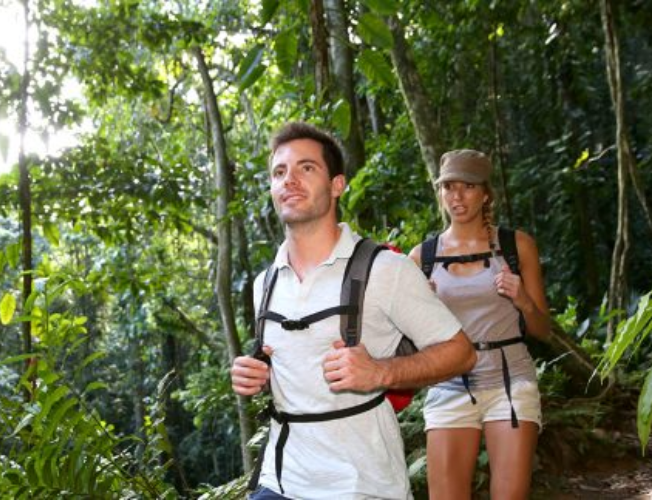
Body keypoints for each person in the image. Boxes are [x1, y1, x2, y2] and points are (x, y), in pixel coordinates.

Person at [231, 122, 476, 500]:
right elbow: (295, 367)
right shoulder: (264, 284)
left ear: (337, 185)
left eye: (306, 168)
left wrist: (381, 371)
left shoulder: (384, 269)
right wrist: (259, 376)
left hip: (362, 484)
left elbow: (462, 353)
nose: (289, 180)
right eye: (279, 172)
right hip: (281, 479)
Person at [408, 149, 551, 500]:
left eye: (468, 186)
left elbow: (542, 330)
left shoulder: (516, 245)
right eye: (448, 187)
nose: (456, 197)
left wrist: (523, 301)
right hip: (448, 384)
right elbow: (409, 346)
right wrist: (419, 308)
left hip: (510, 381)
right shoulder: (420, 258)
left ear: (485, 192)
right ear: (440, 192)